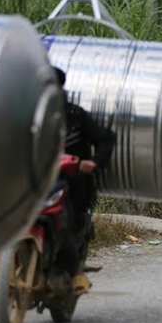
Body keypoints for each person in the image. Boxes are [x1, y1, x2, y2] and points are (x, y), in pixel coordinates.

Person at [53, 66, 115, 295]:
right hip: (37, 182)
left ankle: (76, 271)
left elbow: (106, 138)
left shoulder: (76, 116)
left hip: (71, 183)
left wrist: (94, 162)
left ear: (60, 89)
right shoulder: (27, 116)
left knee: (61, 220)